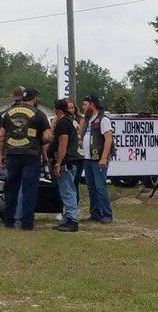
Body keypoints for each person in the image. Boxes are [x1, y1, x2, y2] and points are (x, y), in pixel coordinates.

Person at [0, 88, 51, 230]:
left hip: (12, 155)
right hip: (31, 156)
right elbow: (47, 136)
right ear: (34, 99)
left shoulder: (7, 113)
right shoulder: (39, 114)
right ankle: (26, 224)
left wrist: (1, 155)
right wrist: (42, 142)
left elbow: (0, 137)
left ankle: (9, 222)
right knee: (29, 190)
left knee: (11, 189)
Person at [49, 99, 83, 232]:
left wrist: (58, 163)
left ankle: (71, 220)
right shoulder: (73, 121)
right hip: (77, 159)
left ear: (57, 110)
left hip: (68, 160)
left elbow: (63, 144)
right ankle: (69, 218)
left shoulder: (63, 122)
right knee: (71, 190)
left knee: (67, 190)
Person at [82, 94, 113, 223]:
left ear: (92, 104)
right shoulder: (87, 120)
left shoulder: (103, 119)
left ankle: (106, 214)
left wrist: (104, 158)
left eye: (85, 104)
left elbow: (108, 139)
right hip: (88, 158)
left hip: (98, 158)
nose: (83, 107)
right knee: (91, 187)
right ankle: (95, 213)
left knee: (100, 187)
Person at [67, 99, 85, 204]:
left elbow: (79, 134)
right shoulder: (61, 119)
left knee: (75, 182)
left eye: (72, 107)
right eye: (68, 108)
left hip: (77, 153)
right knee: (67, 182)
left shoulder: (80, 119)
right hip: (67, 154)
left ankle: (75, 204)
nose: (71, 110)